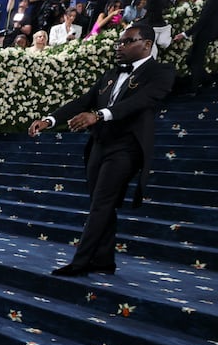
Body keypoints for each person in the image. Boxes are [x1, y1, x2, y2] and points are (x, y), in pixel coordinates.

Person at [28, 23, 175, 276]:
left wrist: (98, 115)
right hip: (99, 144)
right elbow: (84, 101)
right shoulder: (110, 74)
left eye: (127, 42)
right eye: (119, 42)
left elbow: (139, 102)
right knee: (102, 203)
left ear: (147, 45)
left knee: (102, 203)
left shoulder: (161, 72)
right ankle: (104, 260)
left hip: (127, 146)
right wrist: (49, 120)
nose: (120, 46)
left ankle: (81, 262)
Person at [172, 0, 218, 95]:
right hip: (206, 31)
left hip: (205, 31)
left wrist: (186, 33)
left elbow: (205, 18)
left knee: (196, 60)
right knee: (192, 59)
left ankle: (193, 89)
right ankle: (207, 81)